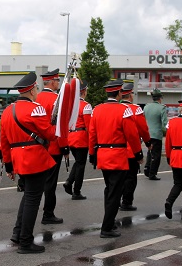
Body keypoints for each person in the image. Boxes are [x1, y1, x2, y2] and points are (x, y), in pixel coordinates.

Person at [1, 72, 57, 254]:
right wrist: (58, 125)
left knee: (28, 197)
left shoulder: (8, 110)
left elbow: (4, 141)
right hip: (34, 158)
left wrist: (8, 165)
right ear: (32, 90)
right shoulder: (36, 109)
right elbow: (49, 134)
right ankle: (25, 241)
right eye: (36, 89)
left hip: (18, 158)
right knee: (33, 200)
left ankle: (18, 234)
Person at [88, 79, 144, 238]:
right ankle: (106, 228)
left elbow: (92, 135)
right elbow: (132, 135)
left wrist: (92, 154)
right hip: (118, 156)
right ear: (119, 93)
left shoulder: (97, 109)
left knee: (109, 190)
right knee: (114, 192)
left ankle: (110, 222)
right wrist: (138, 154)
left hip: (103, 155)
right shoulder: (124, 110)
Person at [36, 68, 69, 224]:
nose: (59, 83)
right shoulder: (56, 100)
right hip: (53, 146)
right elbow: (60, 126)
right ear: (53, 82)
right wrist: (65, 147)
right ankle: (48, 213)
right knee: (50, 182)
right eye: (57, 81)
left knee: (36, 182)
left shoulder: (36, 98)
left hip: (36, 145)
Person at [119, 83, 152, 211]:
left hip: (117, 149)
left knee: (119, 177)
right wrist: (148, 143)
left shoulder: (115, 107)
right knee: (131, 177)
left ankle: (116, 199)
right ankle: (126, 202)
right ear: (130, 95)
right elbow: (143, 129)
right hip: (131, 149)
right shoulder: (135, 109)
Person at [63, 80, 92, 200]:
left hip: (70, 137)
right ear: (84, 91)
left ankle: (69, 182)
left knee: (78, 162)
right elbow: (90, 127)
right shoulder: (86, 106)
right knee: (81, 164)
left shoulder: (70, 105)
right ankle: (76, 191)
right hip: (81, 138)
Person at [143, 88, 168, 180]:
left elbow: (143, 119)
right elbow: (165, 123)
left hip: (148, 134)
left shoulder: (146, 107)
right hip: (157, 134)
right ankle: (152, 173)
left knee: (150, 152)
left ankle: (147, 168)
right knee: (156, 155)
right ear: (160, 98)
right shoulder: (162, 108)